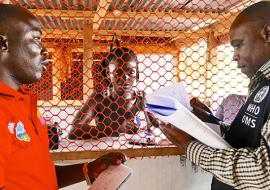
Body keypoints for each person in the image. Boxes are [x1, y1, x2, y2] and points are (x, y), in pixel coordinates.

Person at [0, 4, 126, 189]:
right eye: (36, 39)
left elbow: (40, 176)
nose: (44, 51)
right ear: (3, 44)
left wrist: (88, 169)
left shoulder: (24, 103)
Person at [160, 1, 270, 189]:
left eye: (238, 45)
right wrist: (208, 120)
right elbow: (248, 138)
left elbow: (264, 172)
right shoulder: (261, 84)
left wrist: (190, 147)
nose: (234, 56)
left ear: (267, 33)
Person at [69, 46, 158, 140]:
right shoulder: (99, 98)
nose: (125, 78)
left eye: (131, 72)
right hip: (108, 152)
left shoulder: (141, 98)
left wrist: (152, 122)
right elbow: (74, 130)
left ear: (137, 73)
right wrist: (112, 130)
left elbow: (155, 125)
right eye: (118, 73)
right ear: (108, 74)